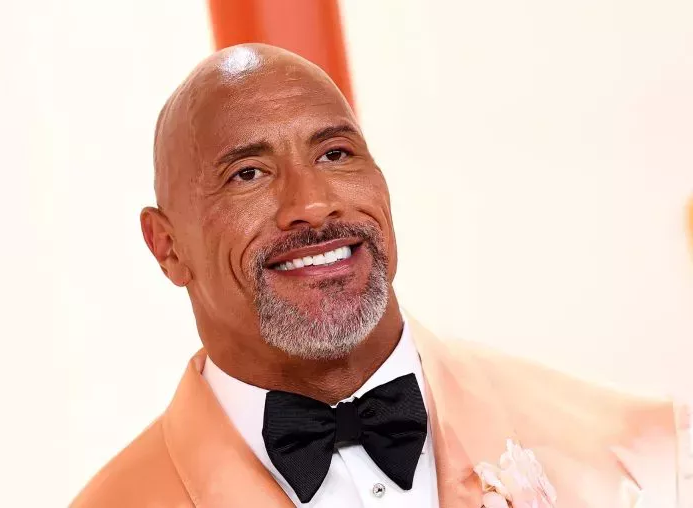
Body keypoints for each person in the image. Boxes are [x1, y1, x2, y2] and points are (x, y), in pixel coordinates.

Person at [72, 44, 689, 507]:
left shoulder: (645, 460)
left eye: (335, 153)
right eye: (248, 174)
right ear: (166, 246)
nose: (313, 204)